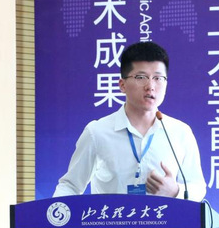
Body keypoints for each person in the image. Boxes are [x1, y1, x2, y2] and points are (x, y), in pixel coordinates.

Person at [53, 41, 206, 202]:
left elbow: (198, 186)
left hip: (165, 219)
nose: (151, 86)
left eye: (158, 78)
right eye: (141, 77)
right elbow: (70, 185)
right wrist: (55, 213)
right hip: (111, 218)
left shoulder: (180, 132)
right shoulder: (97, 132)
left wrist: (175, 191)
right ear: (122, 85)